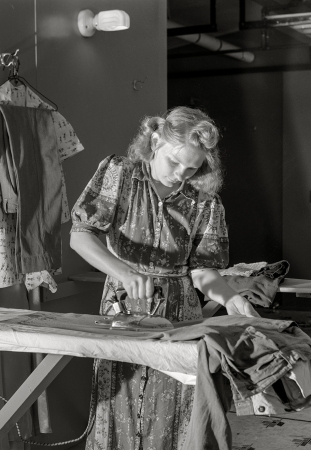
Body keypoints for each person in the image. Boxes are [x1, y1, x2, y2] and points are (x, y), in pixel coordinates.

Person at [70, 106, 259, 450]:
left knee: (173, 408)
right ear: (154, 140)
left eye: (192, 167)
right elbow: (80, 234)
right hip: (123, 311)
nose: (181, 174)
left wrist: (231, 297)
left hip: (180, 316)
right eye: (174, 162)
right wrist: (123, 271)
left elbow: (202, 271)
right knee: (119, 400)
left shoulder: (205, 201)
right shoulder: (120, 174)